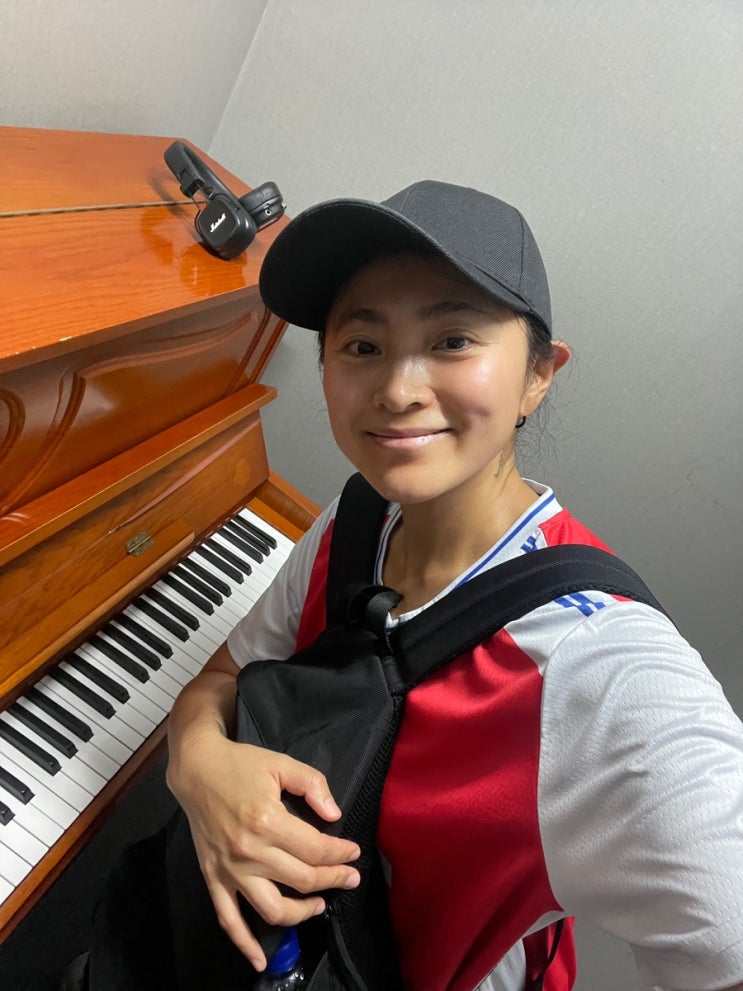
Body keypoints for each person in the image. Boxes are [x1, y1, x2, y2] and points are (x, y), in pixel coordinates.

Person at [165, 181, 743, 991]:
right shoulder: (357, 517)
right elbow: (223, 677)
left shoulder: (599, 668)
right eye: (362, 345)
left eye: (452, 339)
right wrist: (197, 764)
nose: (398, 389)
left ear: (538, 373)